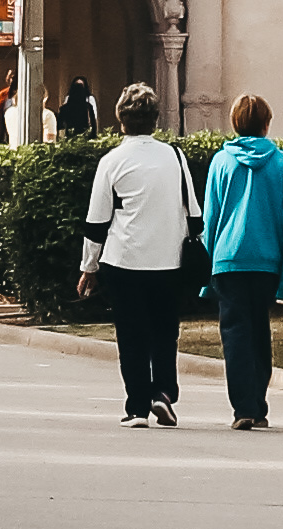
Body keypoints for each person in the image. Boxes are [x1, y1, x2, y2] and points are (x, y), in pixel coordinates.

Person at [77, 80, 197, 428]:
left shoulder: (112, 161)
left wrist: (88, 267)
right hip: (169, 259)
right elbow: (195, 215)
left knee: (131, 334)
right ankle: (164, 393)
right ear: (155, 119)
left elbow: (97, 222)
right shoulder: (175, 157)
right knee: (164, 331)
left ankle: (137, 407)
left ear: (121, 119)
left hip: (124, 259)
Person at [203, 91, 283, 431]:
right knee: (259, 330)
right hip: (266, 260)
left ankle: (242, 405)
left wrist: (206, 268)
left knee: (235, 334)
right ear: (266, 125)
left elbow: (210, 218)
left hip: (228, 260)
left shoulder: (221, 162)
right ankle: (258, 401)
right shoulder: (282, 162)